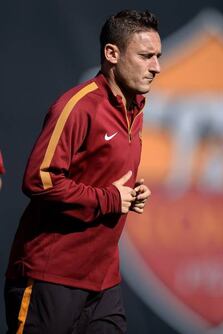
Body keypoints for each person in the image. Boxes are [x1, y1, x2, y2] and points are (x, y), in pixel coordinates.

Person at [4, 9, 161, 333]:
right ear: (112, 53)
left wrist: (130, 195)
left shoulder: (136, 108)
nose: (156, 67)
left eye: (158, 56)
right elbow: (39, 179)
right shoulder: (77, 106)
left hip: (103, 281)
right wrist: (107, 199)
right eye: (146, 56)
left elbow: (102, 179)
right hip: (50, 276)